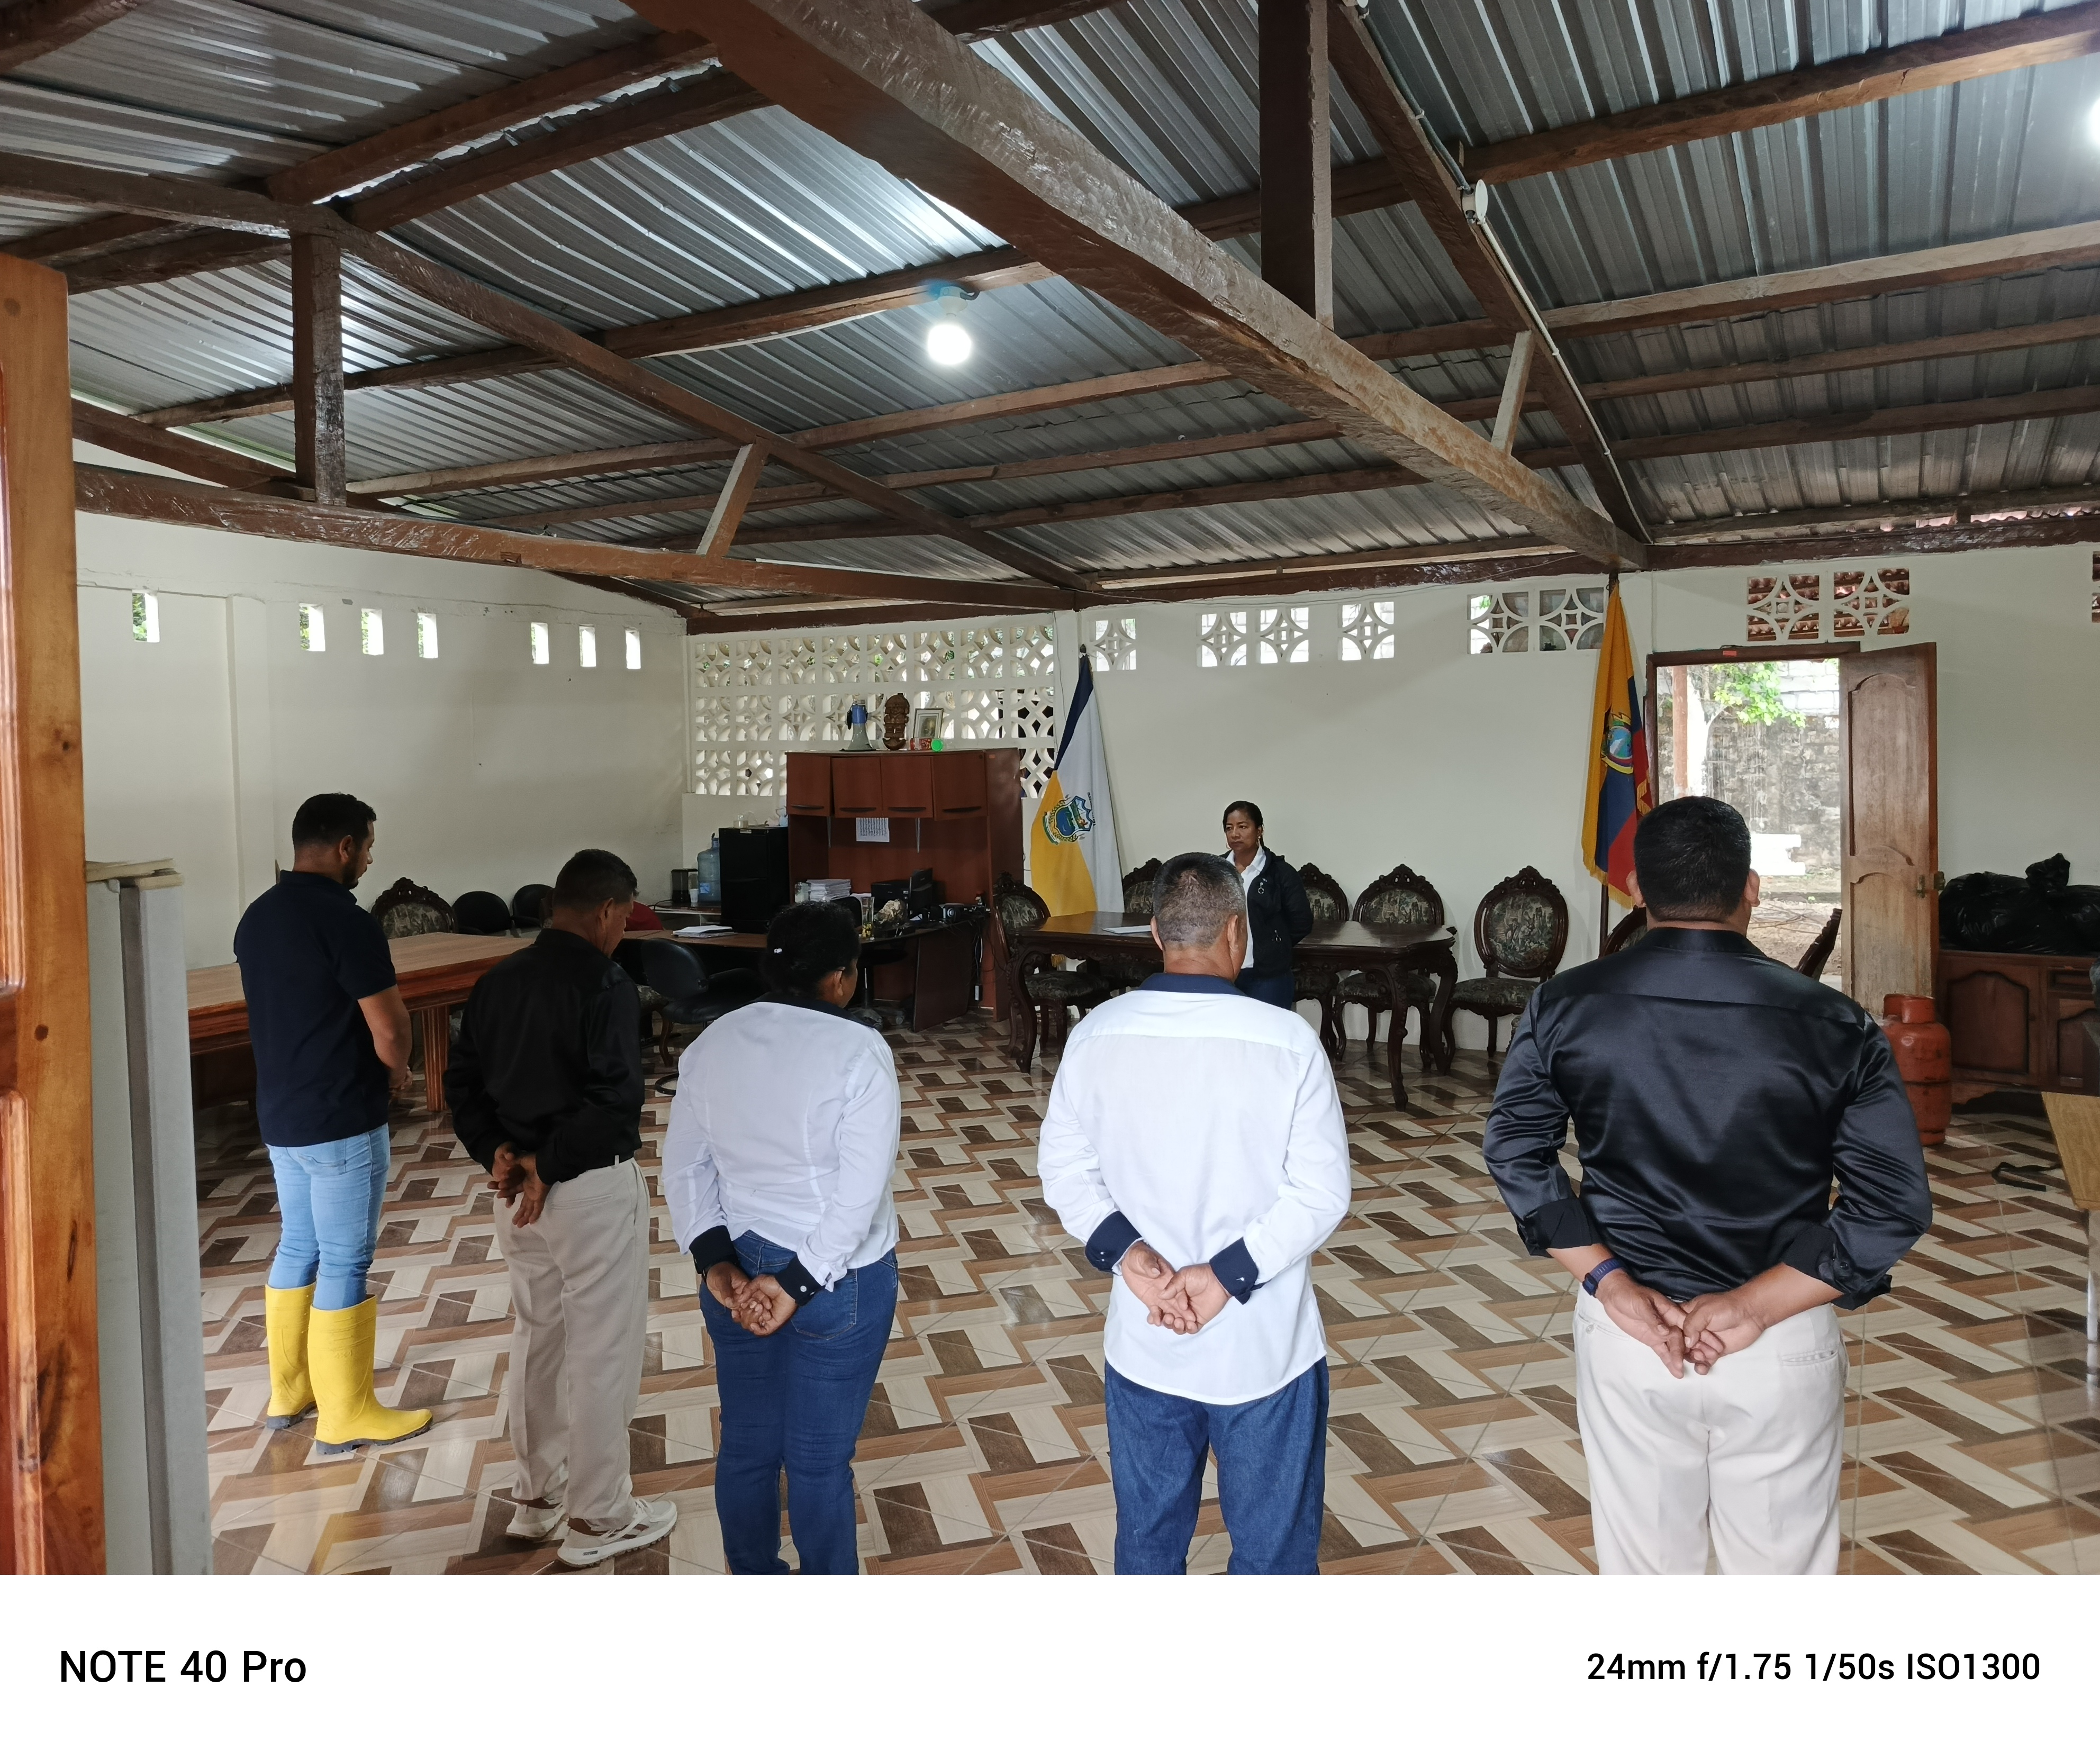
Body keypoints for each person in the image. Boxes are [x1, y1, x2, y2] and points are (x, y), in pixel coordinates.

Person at [1483, 796, 1932, 1574]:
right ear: (1751, 887)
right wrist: (1751, 1306)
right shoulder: (1836, 1023)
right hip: (1779, 1333)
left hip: (1630, 1329)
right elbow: (1891, 1203)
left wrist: (1609, 1281)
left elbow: (1517, 1151)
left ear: (1635, 890)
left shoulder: (1563, 1005)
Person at [1038, 854, 1351, 1573]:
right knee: (1272, 1558)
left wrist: (1134, 1260)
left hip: (1145, 1334)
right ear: (1237, 931)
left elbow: (1064, 1171)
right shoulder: (1287, 1042)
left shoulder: (1095, 1034)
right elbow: (1320, 1192)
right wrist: (1225, 1275)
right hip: (1262, 1347)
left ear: (1155, 932)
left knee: (1148, 1544)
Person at [445, 848, 676, 1568]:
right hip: (587, 1188)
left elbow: (462, 1083)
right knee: (603, 1349)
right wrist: (546, 1162)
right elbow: (614, 1101)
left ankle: (537, 1497)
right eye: (623, 918)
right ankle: (600, 1516)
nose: (621, 931)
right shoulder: (605, 983)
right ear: (607, 911)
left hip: (517, 1194)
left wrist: (498, 1152)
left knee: (538, 1337)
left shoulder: (498, 978)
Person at [661, 902, 901, 1575]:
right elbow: (857, 1195)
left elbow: (683, 1167)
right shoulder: (859, 1050)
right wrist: (796, 1283)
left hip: (738, 1273)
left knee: (746, 1445)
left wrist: (717, 1266)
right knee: (818, 1460)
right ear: (843, 977)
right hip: (836, 1281)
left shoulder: (712, 1042)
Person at [236, 793, 431, 1454]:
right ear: (345, 846)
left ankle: (289, 1392)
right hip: (342, 1115)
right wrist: (397, 1070)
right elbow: (390, 1025)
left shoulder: (258, 916)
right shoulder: (346, 921)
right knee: (346, 1257)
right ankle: (348, 1412)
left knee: (298, 1246)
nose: (370, 860)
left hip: (282, 1115)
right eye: (368, 846)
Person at [1221, 800, 1312, 1009]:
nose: (1235, 834)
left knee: (1269, 1028)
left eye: (1243, 827)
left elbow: (1301, 922)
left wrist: (1274, 945)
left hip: (1268, 977)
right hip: (1223, 973)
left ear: (1259, 830)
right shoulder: (1216, 871)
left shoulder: (1281, 873)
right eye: (1229, 828)